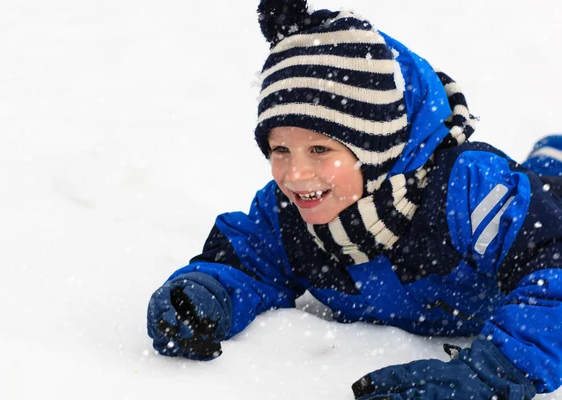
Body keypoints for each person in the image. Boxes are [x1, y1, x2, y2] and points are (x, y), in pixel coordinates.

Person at [147, 0, 562, 398]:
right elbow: (248, 257)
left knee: (544, 190)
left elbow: (552, 265)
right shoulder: (290, 214)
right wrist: (203, 295)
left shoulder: (466, 190)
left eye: (320, 150)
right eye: (280, 151)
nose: (295, 174)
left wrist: (494, 375)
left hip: (546, 207)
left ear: (375, 149)